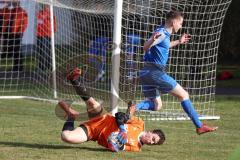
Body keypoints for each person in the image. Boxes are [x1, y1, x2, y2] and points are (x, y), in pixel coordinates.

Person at [136, 10, 218, 135]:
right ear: (174, 22)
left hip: (146, 72)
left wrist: (179, 41)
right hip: (155, 72)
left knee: (157, 105)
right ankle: (199, 126)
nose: (181, 26)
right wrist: (152, 40)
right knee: (184, 95)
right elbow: (146, 47)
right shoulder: (162, 33)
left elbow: (164, 45)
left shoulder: (163, 32)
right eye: (180, 23)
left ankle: (135, 107)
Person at [58, 67, 166, 152]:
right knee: (93, 103)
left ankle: (71, 116)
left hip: (94, 132)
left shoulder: (136, 148)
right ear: (151, 132)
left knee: (66, 137)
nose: (151, 142)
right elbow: (119, 115)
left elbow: (116, 147)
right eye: (153, 139)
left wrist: (113, 145)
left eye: (154, 143)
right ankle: (73, 79)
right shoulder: (139, 124)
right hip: (103, 118)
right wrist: (123, 129)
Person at [1, 1, 28, 71]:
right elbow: (1, 12)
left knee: (16, 50)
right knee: (8, 50)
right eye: (13, 2)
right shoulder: (9, 10)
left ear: (18, 3)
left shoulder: (22, 11)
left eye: (15, 2)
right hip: (7, 33)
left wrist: (20, 32)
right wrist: (7, 5)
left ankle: (18, 67)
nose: (13, 4)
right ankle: (14, 66)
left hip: (16, 33)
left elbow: (24, 23)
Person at [36, 4, 56, 71]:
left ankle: (48, 66)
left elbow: (54, 24)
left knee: (47, 51)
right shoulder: (40, 13)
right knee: (40, 51)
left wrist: (52, 32)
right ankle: (41, 67)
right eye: (44, 5)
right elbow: (39, 23)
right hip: (40, 34)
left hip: (47, 35)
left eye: (47, 6)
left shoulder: (51, 14)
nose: (45, 6)